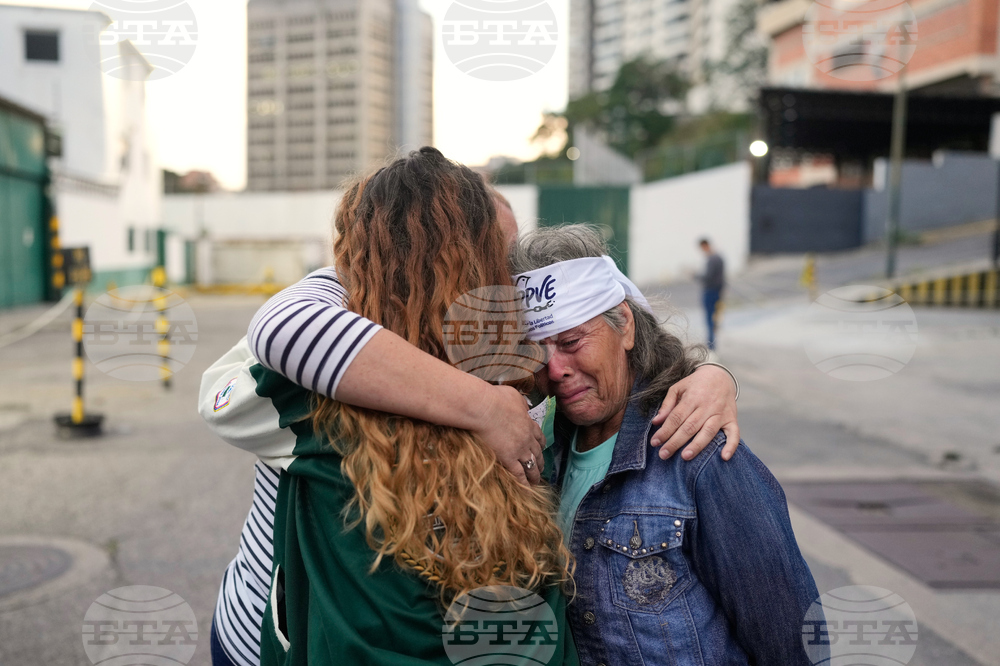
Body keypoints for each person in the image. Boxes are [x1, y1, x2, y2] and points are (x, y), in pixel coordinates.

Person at [199, 152, 743, 666]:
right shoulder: (314, 378)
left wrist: (705, 377)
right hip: (261, 632)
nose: (507, 280)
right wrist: (484, 408)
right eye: (496, 256)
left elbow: (609, 340)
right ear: (459, 261)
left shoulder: (503, 356)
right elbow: (282, 328)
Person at [509, 225, 820, 665]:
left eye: (572, 341)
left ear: (626, 327)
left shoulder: (697, 455)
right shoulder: (539, 455)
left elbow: (792, 642)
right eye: (537, 351)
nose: (555, 368)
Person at [696, 238, 725, 351]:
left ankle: (711, 346)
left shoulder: (712, 259)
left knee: (710, 320)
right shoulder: (719, 258)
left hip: (710, 292)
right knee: (715, 319)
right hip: (718, 292)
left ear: (705, 246)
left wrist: (694, 275)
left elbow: (707, 277)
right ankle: (712, 345)